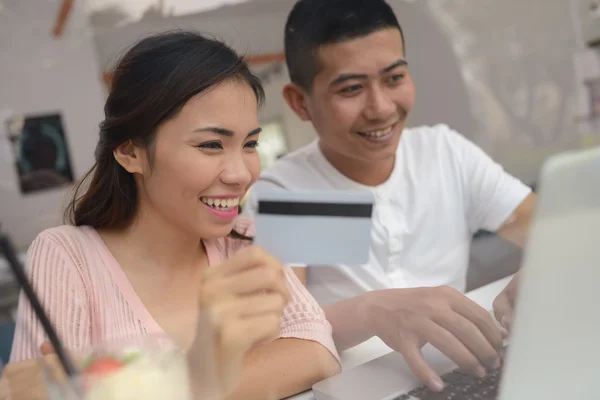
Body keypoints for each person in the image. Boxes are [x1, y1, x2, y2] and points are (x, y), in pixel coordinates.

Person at [8, 31, 340, 399]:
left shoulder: (250, 239)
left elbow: (317, 353)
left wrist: (124, 386)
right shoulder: (67, 256)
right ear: (130, 152)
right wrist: (203, 375)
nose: (241, 174)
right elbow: (28, 391)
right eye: (211, 145)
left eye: (250, 144)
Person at [243, 0, 535, 392]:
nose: (380, 108)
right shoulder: (290, 190)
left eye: (394, 78)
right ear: (300, 103)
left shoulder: (444, 154)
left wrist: (541, 270)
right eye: (351, 89)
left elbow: (551, 233)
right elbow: (279, 338)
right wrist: (372, 312)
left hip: (466, 369)